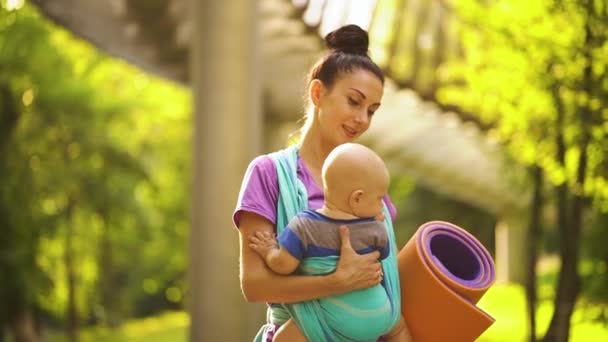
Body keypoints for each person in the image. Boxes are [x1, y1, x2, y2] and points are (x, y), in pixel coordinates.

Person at [233, 24, 403, 341]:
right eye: (354, 101)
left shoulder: (368, 181)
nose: (363, 119)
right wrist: (335, 283)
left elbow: (384, 278)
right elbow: (255, 285)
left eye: (372, 110)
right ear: (317, 93)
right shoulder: (268, 174)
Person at [248, 142, 411, 342]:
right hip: (379, 314)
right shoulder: (377, 229)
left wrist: (269, 251)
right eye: (379, 199)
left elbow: (283, 266)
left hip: (334, 316)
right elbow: (388, 263)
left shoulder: (304, 225)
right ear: (357, 199)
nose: (382, 207)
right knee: (399, 327)